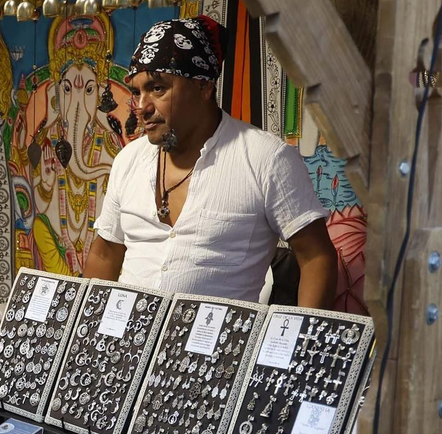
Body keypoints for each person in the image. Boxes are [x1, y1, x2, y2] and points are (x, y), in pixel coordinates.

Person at [85, 17, 339, 307]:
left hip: (219, 348)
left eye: (158, 88)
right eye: (137, 92)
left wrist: (298, 343)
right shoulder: (128, 159)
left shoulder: (266, 159)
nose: (142, 107)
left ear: (204, 87)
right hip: (128, 346)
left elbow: (317, 258)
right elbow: (104, 254)